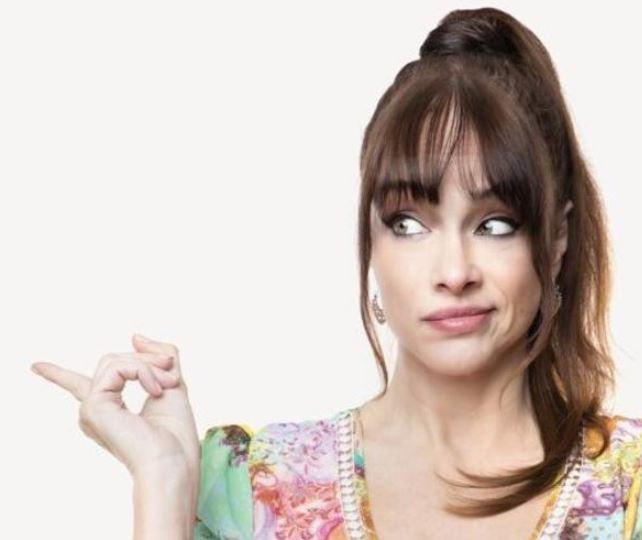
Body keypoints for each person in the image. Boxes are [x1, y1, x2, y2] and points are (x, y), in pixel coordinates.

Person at [30, 7, 642, 540]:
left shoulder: (628, 489)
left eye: (495, 224)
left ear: (555, 240)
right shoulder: (254, 485)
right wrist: (164, 486)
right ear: (371, 240)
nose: (454, 272)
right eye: (409, 223)